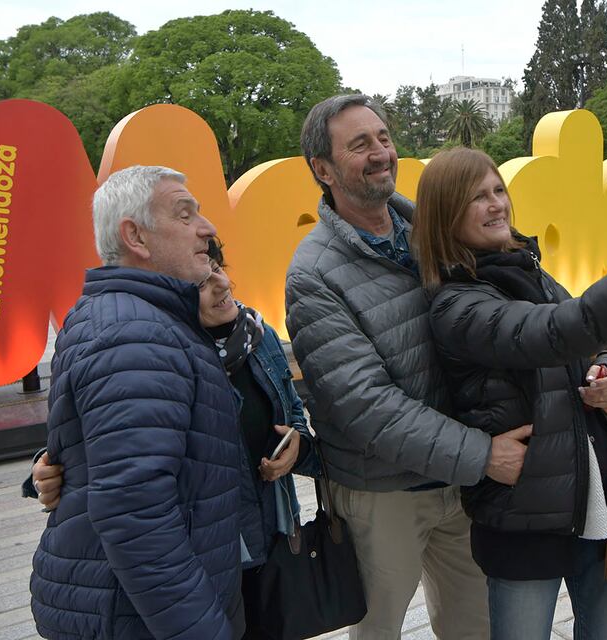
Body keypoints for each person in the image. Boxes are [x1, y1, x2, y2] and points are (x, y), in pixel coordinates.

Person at [411, 146, 607, 640]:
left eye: (498, 190)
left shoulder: (526, 268)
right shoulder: (457, 305)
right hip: (523, 523)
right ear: (445, 214)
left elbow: (596, 339)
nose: (496, 204)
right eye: (477, 197)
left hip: (598, 503)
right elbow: (563, 329)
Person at [286, 94, 532, 639]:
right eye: (360, 145)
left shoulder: (434, 230)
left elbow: (527, 301)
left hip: (463, 483)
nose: (381, 153)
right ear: (323, 169)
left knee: (477, 627)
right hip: (383, 494)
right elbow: (365, 406)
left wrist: (603, 359)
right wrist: (483, 454)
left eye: (383, 138)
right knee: (377, 630)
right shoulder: (313, 274)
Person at [30, 236, 320, 639]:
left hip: (272, 543)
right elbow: (105, 444)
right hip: (207, 560)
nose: (221, 284)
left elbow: (294, 416)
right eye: (202, 282)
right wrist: (44, 470)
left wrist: (298, 446)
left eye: (218, 269)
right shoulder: (159, 356)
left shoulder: (260, 337)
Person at [29, 165, 246, 639]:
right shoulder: (134, 334)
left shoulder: (142, 320)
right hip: (135, 617)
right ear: (136, 237)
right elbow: (137, 516)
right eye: (185, 215)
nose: (207, 228)